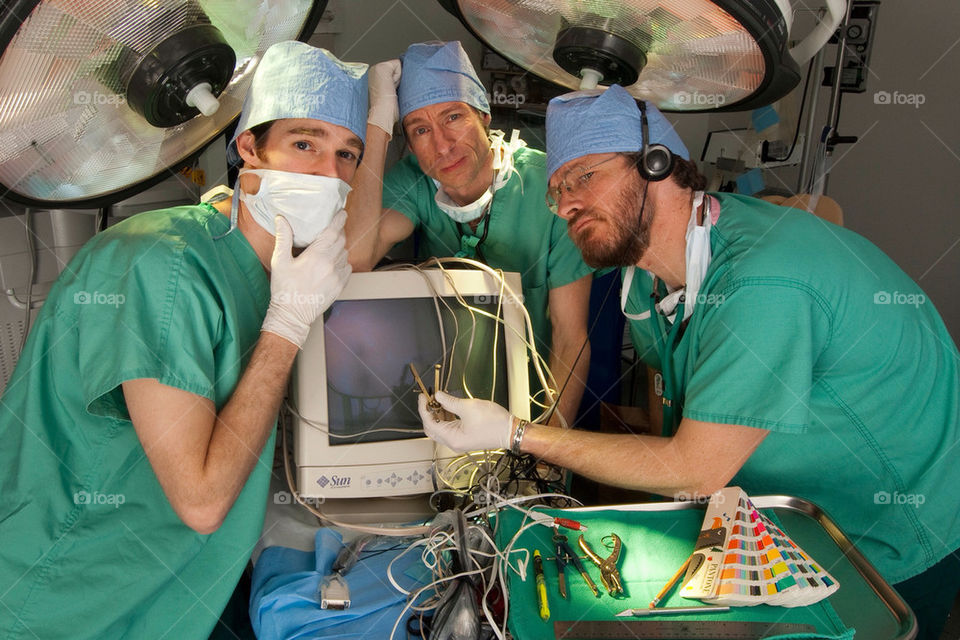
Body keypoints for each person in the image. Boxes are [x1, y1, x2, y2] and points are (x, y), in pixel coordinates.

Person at [418, 85, 960, 639]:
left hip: (888, 531)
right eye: (558, 190)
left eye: (584, 177)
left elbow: (695, 467)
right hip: (778, 522)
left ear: (657, 165)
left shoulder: (763, 281)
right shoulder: (651, 279)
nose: (565, 204)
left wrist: (515, 434)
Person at [0, 41, 364, 639]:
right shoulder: (158, 267)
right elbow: (201, 502)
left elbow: (360, 247)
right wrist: (288, 326)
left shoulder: (269, 266)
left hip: (163, 591)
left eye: (347, 154)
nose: (329, 175)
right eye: (305, 144)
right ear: (248, 148)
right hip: (58, 594)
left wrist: (377, 110)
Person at [346, 41, 593, 426]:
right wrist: (377, 121)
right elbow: (355, 258)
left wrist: (548, 449)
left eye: (454, 117)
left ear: (484, 114)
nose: (442, 145)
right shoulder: (414, 182)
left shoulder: (552, 191)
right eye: (420, 129)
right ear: (409, 146)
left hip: (531, 402)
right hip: (440, 399)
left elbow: (569, 337)